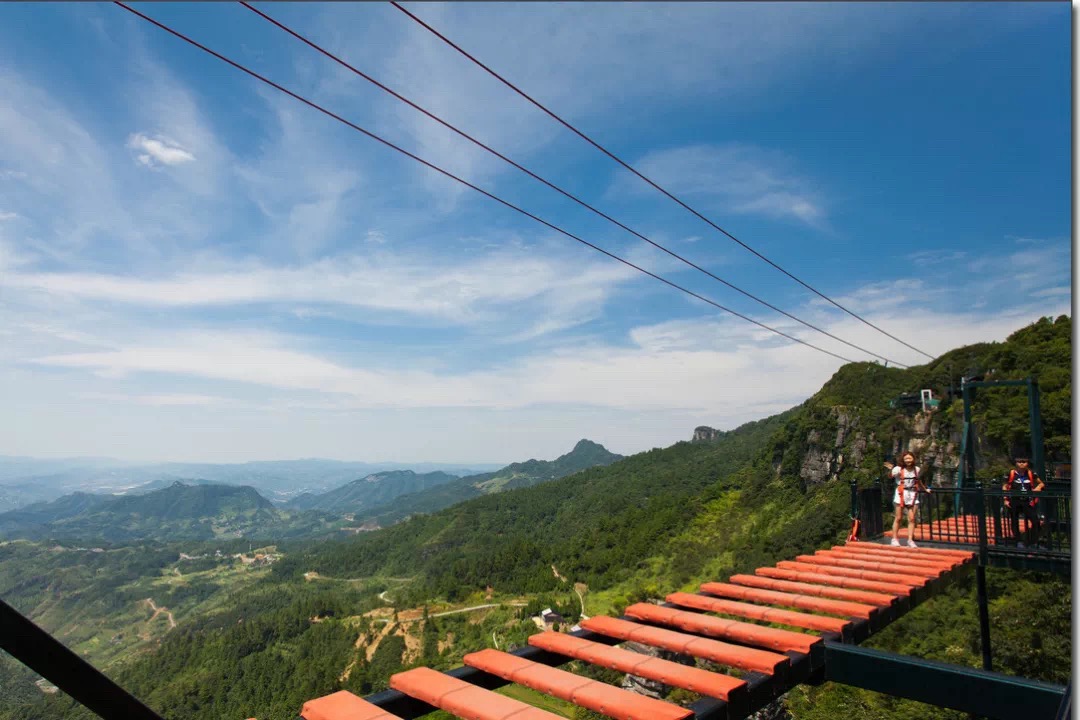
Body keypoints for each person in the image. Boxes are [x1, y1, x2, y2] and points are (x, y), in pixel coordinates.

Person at [884, 452, 930, 547]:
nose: (908, 460)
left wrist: (925, 489)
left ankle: (910, 540)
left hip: (913, 494)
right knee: (899, 517)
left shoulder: (916, 469)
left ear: (913, 459)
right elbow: (890, 476)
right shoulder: (899, 469)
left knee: (912, 519)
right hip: (901, 494)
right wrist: (891, 469)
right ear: (903, 460)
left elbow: (918, 480)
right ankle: (895, 539)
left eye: (910, 458)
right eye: (906, 459)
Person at [1002, 456, 1044, 548]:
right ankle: (1018, 541)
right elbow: (1005, 486)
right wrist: (1005, 499)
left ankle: (1033, 542)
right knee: (1014, 520)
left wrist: (1038, 487)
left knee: (1035, 521)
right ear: (1016, 463)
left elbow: (1041, 483)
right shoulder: (1011, 473)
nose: (1021, 463)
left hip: (1027, 500)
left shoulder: (1031, 473)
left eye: (1024, 461)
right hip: (1014, 500)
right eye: (1019, 462)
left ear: (1027, 463)